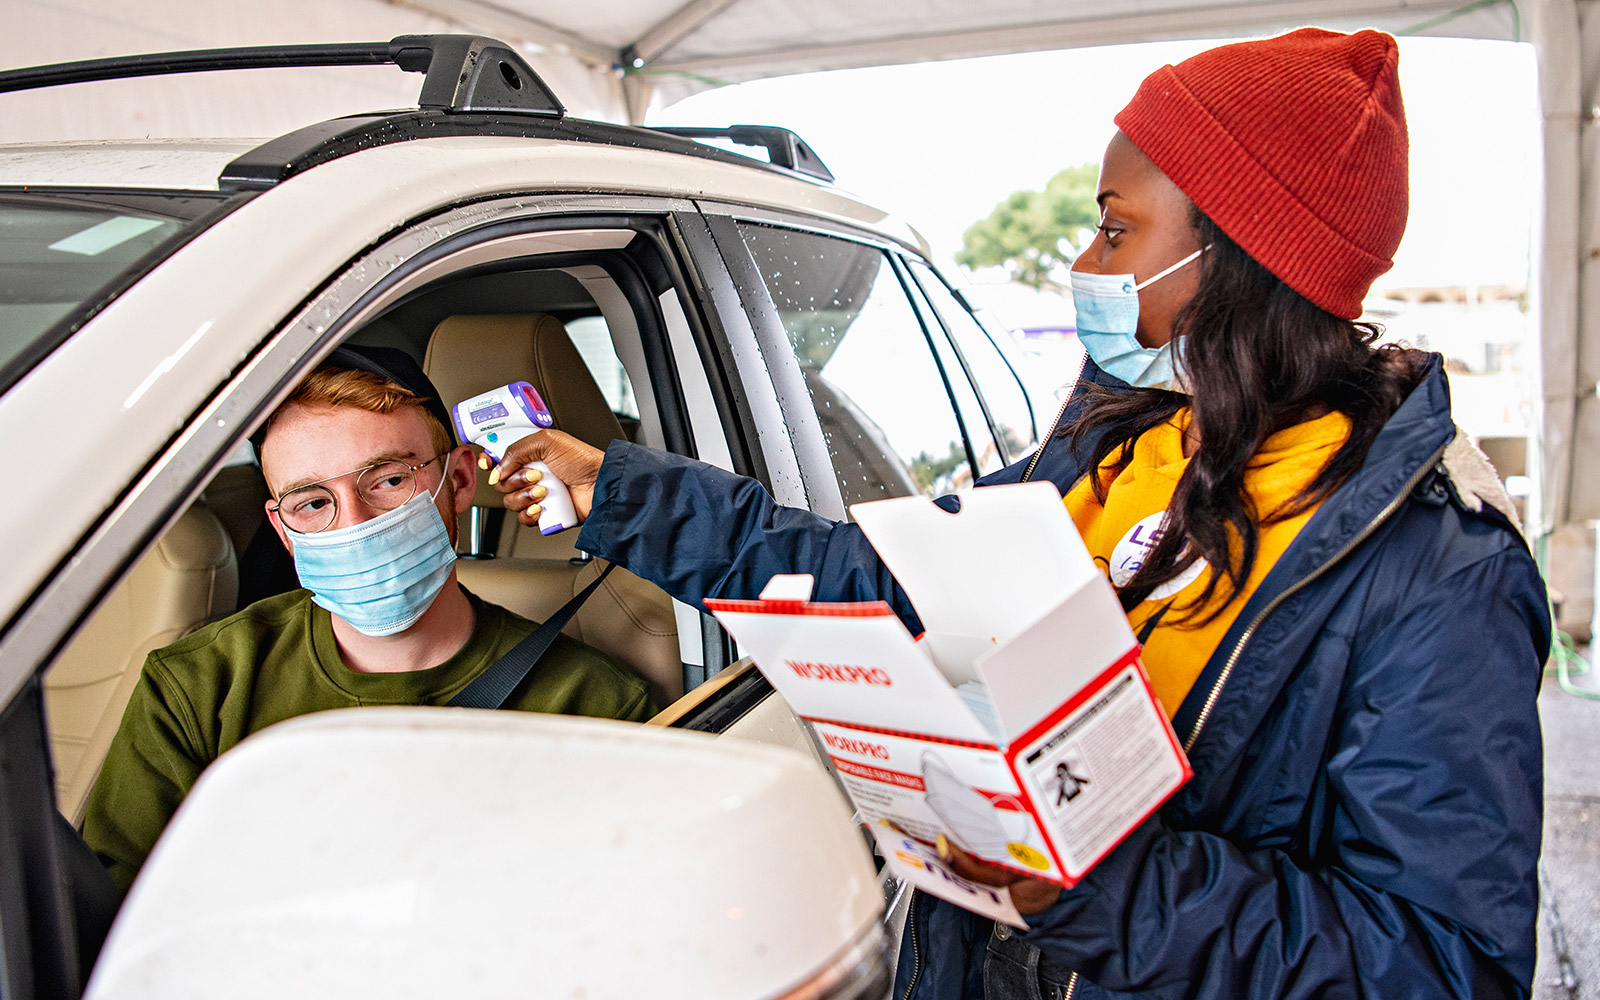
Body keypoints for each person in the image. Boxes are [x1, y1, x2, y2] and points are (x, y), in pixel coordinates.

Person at [485, 28, 1548, 999]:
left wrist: (1098, 891)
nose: (1082, 266)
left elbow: (1442, 964)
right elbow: (885, 588)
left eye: (1114, 230)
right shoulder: (1115, 444)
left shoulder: (1432, 565)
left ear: (1238, 257)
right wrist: (620, 492)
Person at [83, 346, 655, 892]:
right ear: (282, 530)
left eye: (387, 481)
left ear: (457, 481)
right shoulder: (198, 687)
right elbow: (111, 926)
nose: (353, 523)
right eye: (312, 503)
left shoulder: (593, 705)